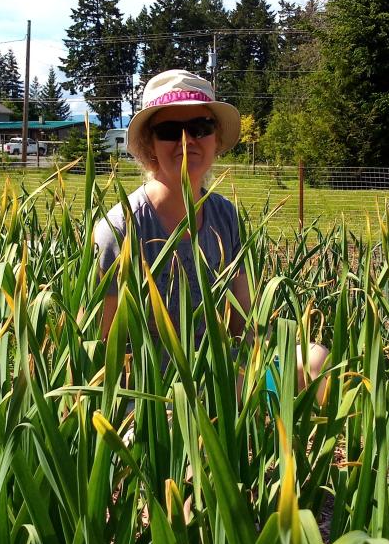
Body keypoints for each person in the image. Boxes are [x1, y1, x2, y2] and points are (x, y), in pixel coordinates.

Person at [92, 69, 327, 388]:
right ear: (150, 144)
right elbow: (102, 344)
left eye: (200, 127)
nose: (187, 141)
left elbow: (241, 321)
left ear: (215, 140)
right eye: (170, 130)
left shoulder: (224, 215)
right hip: (155, 391)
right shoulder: (122, 227)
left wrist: (261, 359)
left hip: (220, 373)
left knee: (315, 360)